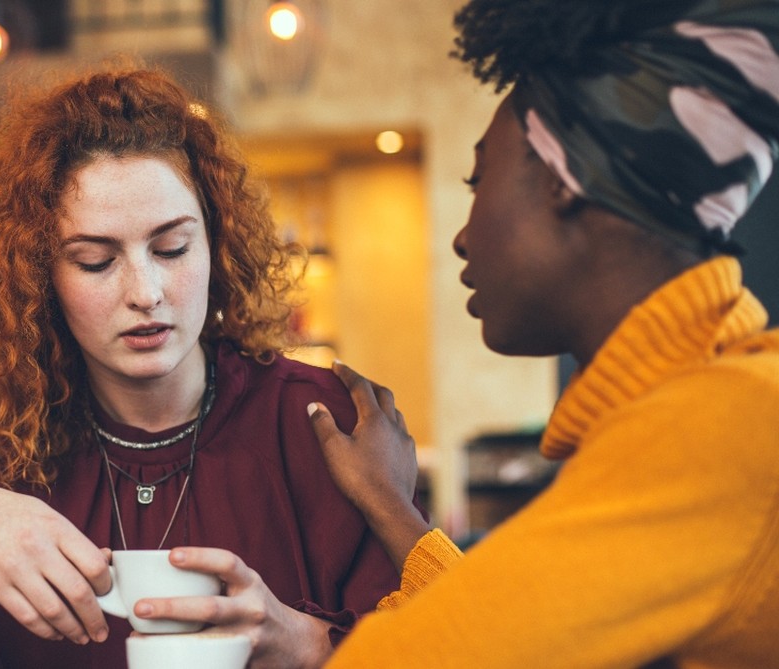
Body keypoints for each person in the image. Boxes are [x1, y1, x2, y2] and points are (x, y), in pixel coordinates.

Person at [0, 65, 409, 668]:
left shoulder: (318, 424)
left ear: (216, 242)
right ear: (40, 279)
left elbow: (446, 639)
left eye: (172, 248)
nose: (146, 292)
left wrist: (313, 647)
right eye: (96, 261)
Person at [296, 0, 779, 666]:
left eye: (480, 177)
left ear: (560, 180)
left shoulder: (721, 426)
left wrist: (312, 640)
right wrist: (390, 503)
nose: (463, 236)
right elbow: (513, 627)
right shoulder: (713, 401)